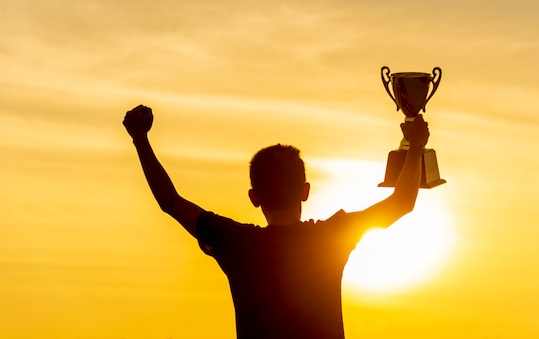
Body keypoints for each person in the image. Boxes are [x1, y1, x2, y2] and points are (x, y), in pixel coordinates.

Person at [123, 104, 430, 339]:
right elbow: (402, 202)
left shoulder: (236, 242)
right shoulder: (332, 237)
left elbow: (170, 202)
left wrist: (140, 139)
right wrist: (415, 146)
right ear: (305, 192)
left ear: (254, 197)